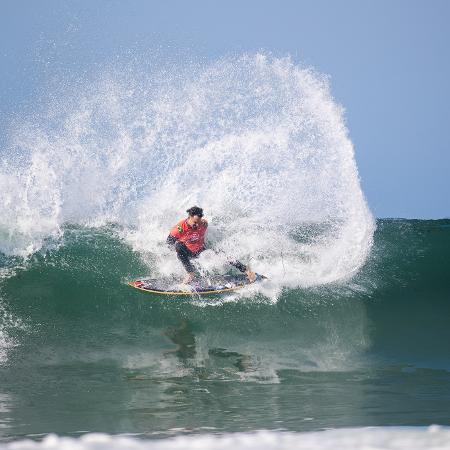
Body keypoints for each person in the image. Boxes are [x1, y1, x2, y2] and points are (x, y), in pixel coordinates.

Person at [167, 206, 256, 284]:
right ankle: (191, 274)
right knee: (178, 245)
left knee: (221, 254)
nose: (197, 225)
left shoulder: (203, 224)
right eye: (195, 222)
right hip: (187, 253)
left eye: (199, 222)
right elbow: (169, 242)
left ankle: (247, 271)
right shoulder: (179, 229)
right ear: (189, 217)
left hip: (201, 251)